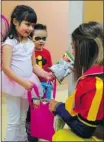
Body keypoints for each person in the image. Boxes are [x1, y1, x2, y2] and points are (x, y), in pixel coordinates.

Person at [2, 5, 53, 141]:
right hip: (14, 84)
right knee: (14, 119)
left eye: (33, 25)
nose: (30, 28)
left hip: (28, 84)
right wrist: (22, 82)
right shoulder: (9, 43)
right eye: (27, 24)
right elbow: (6, 68)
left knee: (23, 117)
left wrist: (45, 74)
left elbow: (34, 65)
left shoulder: (30, 43)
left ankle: (22, 139)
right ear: (15, 22)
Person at [49, 22, 104, 139]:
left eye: (74, 47)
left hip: (96, 132)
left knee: (59, 137)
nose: (72, 53)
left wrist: (58, 107)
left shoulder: (94, 83)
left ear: (85, 50)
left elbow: (84, 130)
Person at [26, 23, 53, 142]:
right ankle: (30, 131)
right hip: (32, 88)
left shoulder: (47, 52)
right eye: (37, 38)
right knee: (30, 110)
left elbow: (50, 68)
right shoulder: (28, 52)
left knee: (42, 109)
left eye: (44, 38)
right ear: (30, 37)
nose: (41, 41)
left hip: (45, 88)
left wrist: (52, 75)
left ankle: (40, 130)